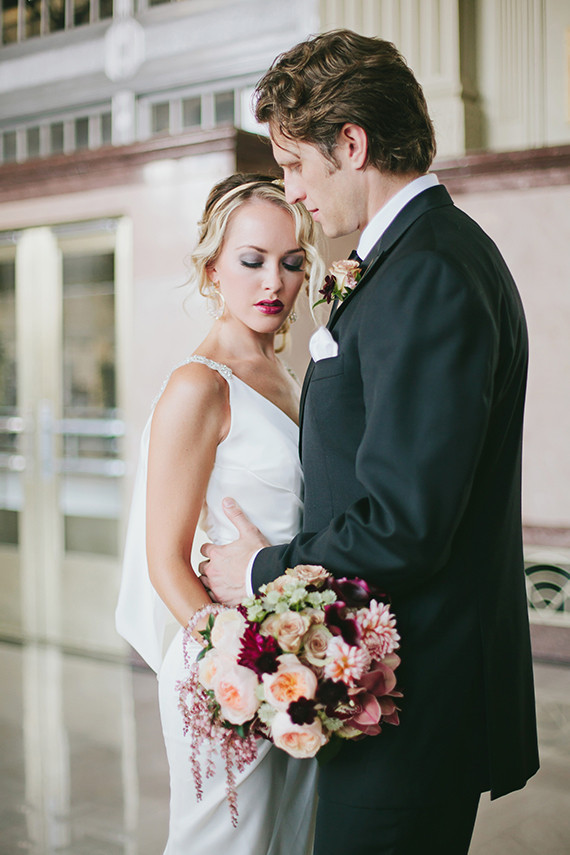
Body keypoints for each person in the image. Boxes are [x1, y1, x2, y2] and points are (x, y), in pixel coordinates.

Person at [199, 30, 540, 855]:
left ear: (350, 145)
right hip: (388, 687)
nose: (293, 190)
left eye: (294, 163)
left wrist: (259, 570)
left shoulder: (428, 272)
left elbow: (403, 524)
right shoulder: (413, 257)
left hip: (412, 698)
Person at [115, 173, 324, 855]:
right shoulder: (199, 385)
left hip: (295, 651)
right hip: (228, 667)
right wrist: (242, 664)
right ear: (212, 269)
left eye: (291, 262)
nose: (274, 282)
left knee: (287, 842)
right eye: (252, 260)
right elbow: (165, 561)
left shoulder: (288, 374)